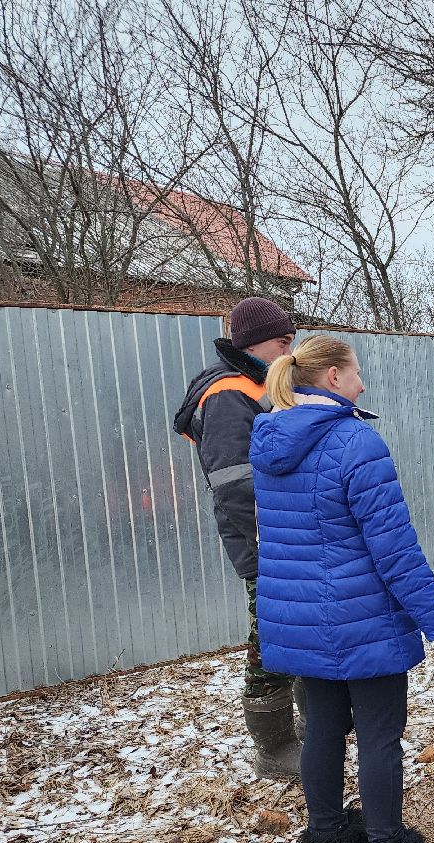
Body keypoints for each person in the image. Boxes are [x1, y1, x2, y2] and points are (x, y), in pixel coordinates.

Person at [250, 334, 434, 843]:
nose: (363, 382)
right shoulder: (355, 442)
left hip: (295, 618)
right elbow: (393, 548)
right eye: (356, 372)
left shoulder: (268, 441)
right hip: (362, 618)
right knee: (378, 739)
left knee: (320, 731)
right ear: (333, 378)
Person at [173, 296, 304, 779]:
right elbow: (234, 486)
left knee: (299, 633)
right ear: (252, 343)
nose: (290, 351)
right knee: (269, 640)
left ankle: (311, 731)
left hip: (289, 538)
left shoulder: (258, 385)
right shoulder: (229, 393)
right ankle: (274, 747)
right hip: (266, 543)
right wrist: (275, 543)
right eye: (282, 342)